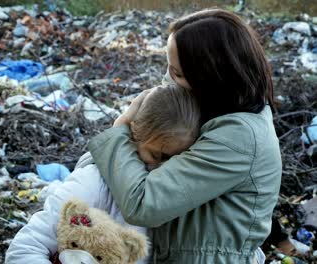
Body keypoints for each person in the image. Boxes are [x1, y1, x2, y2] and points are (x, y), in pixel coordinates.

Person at [87, 8, 281, 263]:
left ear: (212, 76)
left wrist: (121, 128)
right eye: (168, 68)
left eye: (177, 74)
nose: (168, 81)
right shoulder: (216, 113)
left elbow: (144, 203)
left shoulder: (238, 137)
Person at [5, 85, 201, 264]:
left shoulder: (175, 197)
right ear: (134, 134)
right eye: (157, 155)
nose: (164, 167)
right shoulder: (95, 181)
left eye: (177, 161)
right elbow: (25, 248)